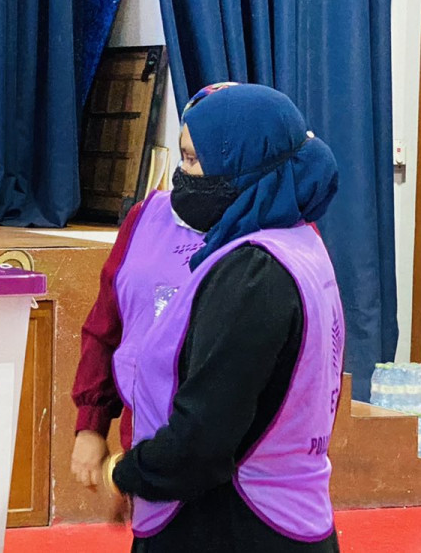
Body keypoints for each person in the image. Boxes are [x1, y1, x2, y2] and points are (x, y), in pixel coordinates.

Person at [101, 84, 343, 552]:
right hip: (292, 517)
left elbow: (203, 440)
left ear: (243, 166)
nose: (181, 178)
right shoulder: (299, 245)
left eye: (193, 161)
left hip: (232, 524)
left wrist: (127, 471)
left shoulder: (253, 273)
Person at [70, 83, 238, 487]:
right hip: (145, 445)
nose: (187, 172)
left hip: (232, 459)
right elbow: (106, 324)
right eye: (184, 156)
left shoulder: (278, 233)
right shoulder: (148, 216)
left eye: (200, 160)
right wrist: (91, 424)